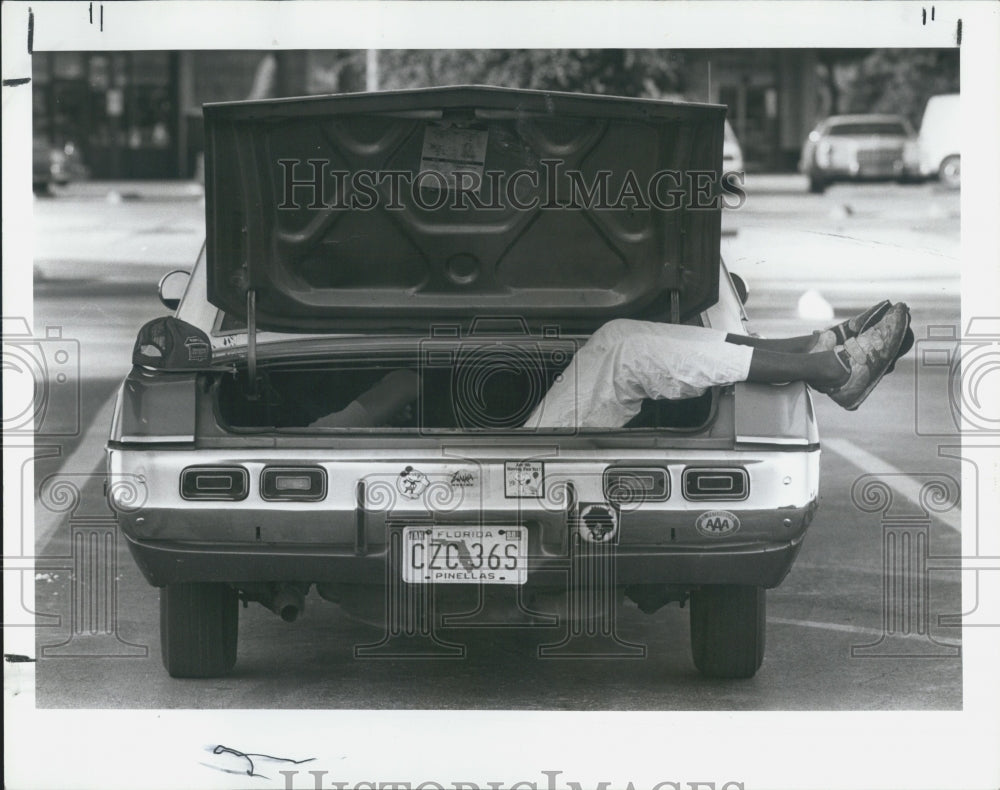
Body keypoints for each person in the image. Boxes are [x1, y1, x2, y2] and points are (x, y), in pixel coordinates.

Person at [310, 300, 912, 430]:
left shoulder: (503, 355)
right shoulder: (412, 370)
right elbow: (336, 428)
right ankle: (832, 369)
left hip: (529, 453)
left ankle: (812, 350)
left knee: (626, 332)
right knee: (625, 351)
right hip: (506, 468)